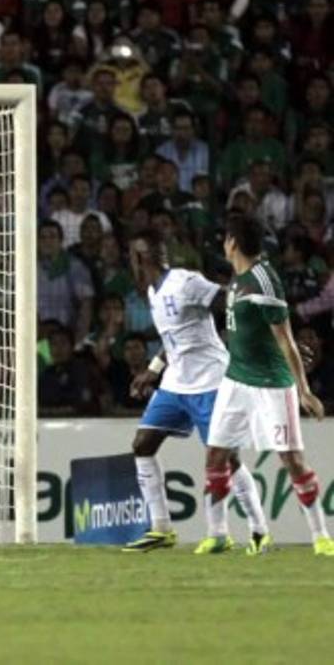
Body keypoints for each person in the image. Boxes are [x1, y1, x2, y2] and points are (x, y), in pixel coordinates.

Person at [121, 229, 269, 554]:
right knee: (142, 444)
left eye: (134, 255)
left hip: (211, 382)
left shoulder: (186, 281)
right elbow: (174, 337)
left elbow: (228, 301)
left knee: (226, 459)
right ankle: (161, 529)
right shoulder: (152, 291)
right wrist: (153, 370)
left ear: (140, 258)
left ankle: (256, 529)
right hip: (175, 382)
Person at [204, 213, 334, 556]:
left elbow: (286, 340)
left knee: (292, 459)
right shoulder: (236, 280)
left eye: (225, 238)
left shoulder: (264, 280)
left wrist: (304, 390)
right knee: (216, 453)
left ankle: (321, 536)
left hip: (271, 385)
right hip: (236, 380)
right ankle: (218, 535)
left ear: (232, 242)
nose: (223, 244)